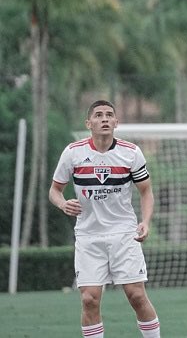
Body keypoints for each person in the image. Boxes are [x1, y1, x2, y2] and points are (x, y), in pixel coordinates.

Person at [49, 100, 161, 338]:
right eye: (98, 115)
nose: (105, 119)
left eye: (109, 115)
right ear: (88, 123)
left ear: (116, 122)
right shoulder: (73, 152)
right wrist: (62, 203)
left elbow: (146, 191)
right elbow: (54, 190)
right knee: (89, 299)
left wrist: (146, 221)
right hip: (89, 236)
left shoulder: (131, 153)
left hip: (124, 233)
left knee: (137, 295)